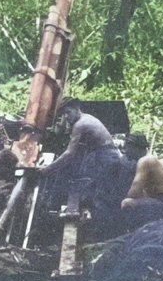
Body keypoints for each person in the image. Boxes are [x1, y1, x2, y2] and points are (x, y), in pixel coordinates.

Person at [38, 103, 126, 240]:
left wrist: (48, 169)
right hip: (105, 155)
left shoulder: (80, 124)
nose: (67, 117)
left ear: (76, 108)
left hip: (107, 157)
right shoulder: (86, 118)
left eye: (68, 112)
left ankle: (102, 237)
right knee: (96, 193)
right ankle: (99, 233)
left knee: (101, 197)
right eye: (64, 115)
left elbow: (69, 153)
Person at [120, 132, 163, 209]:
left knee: (127, 202)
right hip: (161, 199)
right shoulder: (145, 159)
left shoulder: (145, 161)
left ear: (135, 147)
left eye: (126, 147)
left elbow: (135, 191)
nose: (125, 151)